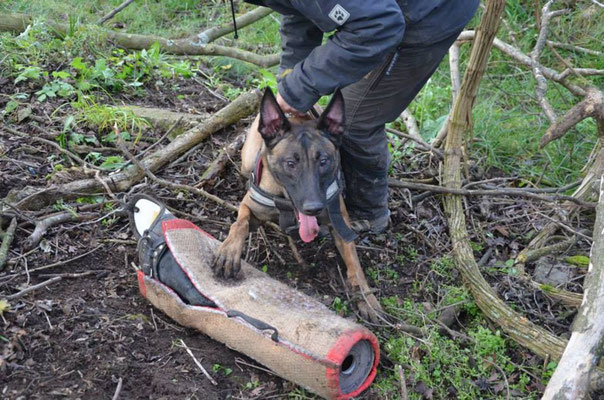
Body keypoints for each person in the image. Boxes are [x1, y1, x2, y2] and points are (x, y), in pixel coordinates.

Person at [244, 0, 479, 233]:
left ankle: (368, 214)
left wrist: (298, 88)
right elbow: (300, 10)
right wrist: (290, 77)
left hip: (426, 13)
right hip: (380, 16)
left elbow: (380, 24)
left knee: (356, 118)